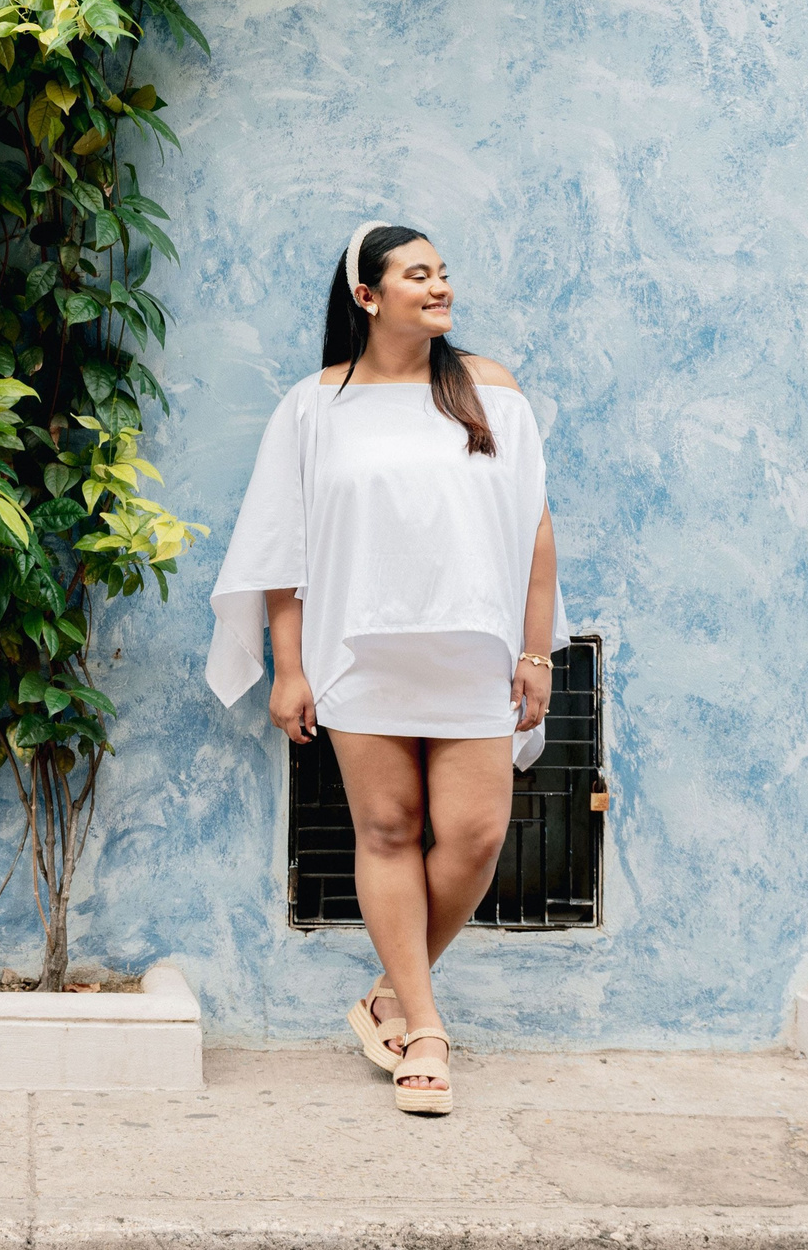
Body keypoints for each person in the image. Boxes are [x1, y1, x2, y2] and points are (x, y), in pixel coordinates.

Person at [204, 219, 565, 1117]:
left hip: (473, 651)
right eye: (418, 276)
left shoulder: (492, 393)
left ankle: (385, 997)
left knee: (476, 834)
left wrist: (535, 650)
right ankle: (428, 1028)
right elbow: (281, 550)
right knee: (390, 830)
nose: (440, 288)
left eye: (444, 272)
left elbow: (535, 528)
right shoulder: (315, 405)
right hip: (360, 653)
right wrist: (288, 668)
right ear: (368, 296)